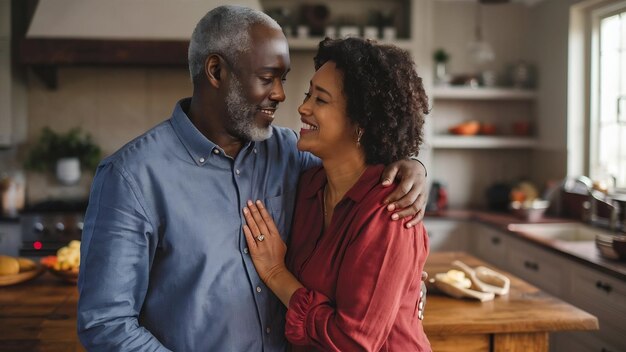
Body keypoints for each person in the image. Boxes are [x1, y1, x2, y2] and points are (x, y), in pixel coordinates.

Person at [77, 6, 428, 352]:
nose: (281, 95)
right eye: (266, 77)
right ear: (216, 71)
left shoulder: (293, 155)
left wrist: (410, 165)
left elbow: (362, 156)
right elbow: (106, 323)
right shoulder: (131, 176)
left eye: (283, 79)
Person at [242, 37, 431, 351]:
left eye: (321, 99)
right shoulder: (308, 187)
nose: (303, 108)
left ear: (361, 122)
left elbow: (354, 343)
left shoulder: (390, 211)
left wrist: (277, 273)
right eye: (308, 94)